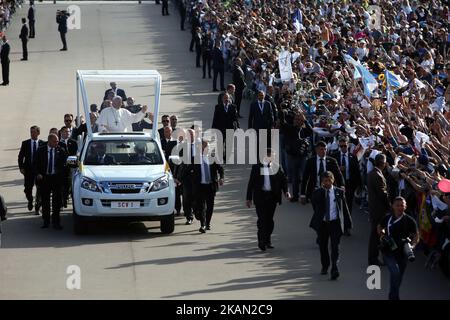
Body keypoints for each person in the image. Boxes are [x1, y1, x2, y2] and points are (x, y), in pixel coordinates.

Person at [310, 171, 352, 280]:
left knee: (335, 247)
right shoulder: (318, 192)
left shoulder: (339, 192)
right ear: (322, 182)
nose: (327, 183)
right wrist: (321, 192)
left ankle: (334, 268)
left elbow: (344, 208)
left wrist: (348, 223)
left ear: (333, 180)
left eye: (329, 180)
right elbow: (314, 205)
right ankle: (325, 265)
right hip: (323, 224)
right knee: (323, 246)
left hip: (335, 223)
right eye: (325, 181)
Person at [246, 149, 290, 251]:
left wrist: (286, 191)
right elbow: (251, 183)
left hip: (272, 197)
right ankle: (261, 241)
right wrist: (248, 198)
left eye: (274, 157)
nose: (273, 158)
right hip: (260, 197)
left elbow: (284, 181)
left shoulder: (277, 167)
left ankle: (267, 240)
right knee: (262, 219)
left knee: (269, 220)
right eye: (271, 156)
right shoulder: (256, 167)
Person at [377, 196, 419, 300]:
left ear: (405, 206)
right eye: (397, 205)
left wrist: (412, 246)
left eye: (402, 205)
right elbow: (379, 227)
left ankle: (393, 294)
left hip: (402, 253)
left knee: (398, 276)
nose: (400, 207)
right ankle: (394, 297)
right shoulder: (388, 218)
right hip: (388, 251)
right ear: (393, 206)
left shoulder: (409, 220)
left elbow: (416, 235)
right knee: (395, 272)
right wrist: (382, 235)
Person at [35, 134, 68, 229]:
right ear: (49, 141)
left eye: (57, 141)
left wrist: (62, 176)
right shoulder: (41, 150)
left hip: (56, 179)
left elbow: (65, 165)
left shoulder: (61, 151)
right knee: (45, 201)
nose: (57, 143)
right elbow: (35, 164)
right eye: (55, 141)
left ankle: (56, 222)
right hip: (45, 179)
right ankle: (46, 221)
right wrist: (38, 174)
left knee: (56, 202)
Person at [331, 136, 361, 235]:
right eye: (341, 146)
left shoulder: (353, 157)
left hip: (349, 185)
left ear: (348, 145)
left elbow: (357, 172)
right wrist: (339, 168)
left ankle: (347, 227)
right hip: (338, 185)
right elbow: (331, 171)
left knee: (348, 206)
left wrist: (359, 186)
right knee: (338, 205)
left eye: (344, 146)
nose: (343, 148)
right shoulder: (334, 156)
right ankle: (338, 225)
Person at [192, 139, 224, 233]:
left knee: (210, 206)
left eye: (208, 146)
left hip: (211, 186)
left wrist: (221, 178)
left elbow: (220, 168)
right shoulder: (195, 158)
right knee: (201, 206)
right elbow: (188, 169)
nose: (207, 148)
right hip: (200, 186)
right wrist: (179, 179)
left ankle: (207, 223)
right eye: (205, 146)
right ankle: (203, 224)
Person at [367, 153, 391, 266]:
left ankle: (374, 258)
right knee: (376, 236)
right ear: (383, 163)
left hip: (374, 209)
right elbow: (383, 194)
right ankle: (373, 259)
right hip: (379, 210)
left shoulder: (372, 173)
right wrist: (390, 207)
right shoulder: (377, 175)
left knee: (376, 235)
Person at [18, 125, 44, 214]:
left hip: (39, 170)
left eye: (34, 132)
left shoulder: (43, 144)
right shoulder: (25, 143)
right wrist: (21, 167)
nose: (32, 134)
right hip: (28, 170)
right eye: (31, 132)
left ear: (38, 133)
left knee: (40, 189)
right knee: (27, 189)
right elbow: (21, 156)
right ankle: (30, 200)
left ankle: (37, 207)